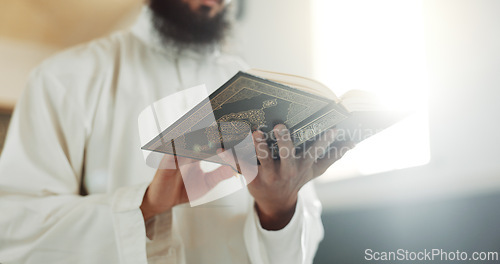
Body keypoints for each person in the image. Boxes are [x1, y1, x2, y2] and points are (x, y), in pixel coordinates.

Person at [0, 0, 349, 263]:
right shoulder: (65, 78)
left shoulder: (265, 95)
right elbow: (13, 231)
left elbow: (306, 240)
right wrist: (145, 206)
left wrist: (278, 210)